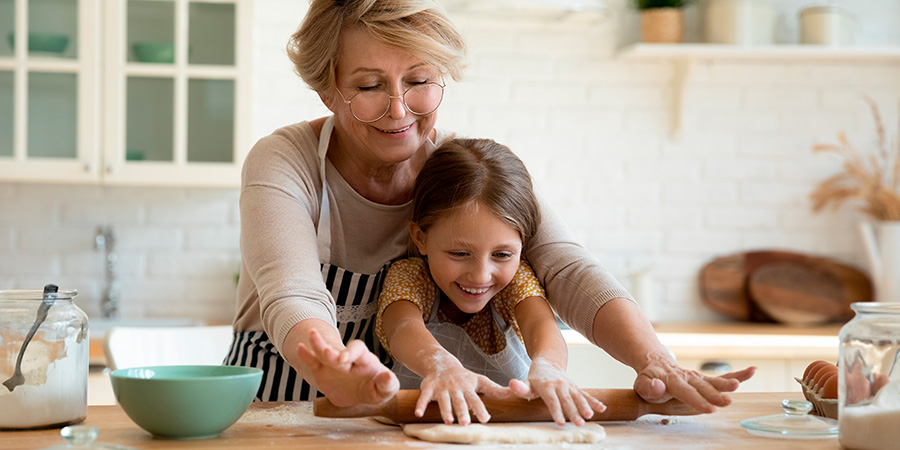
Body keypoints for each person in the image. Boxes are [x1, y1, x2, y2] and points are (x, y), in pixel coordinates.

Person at [225, 0, 755, 412]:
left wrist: (656, 362)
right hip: (274, 403)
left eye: (419, 81)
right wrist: (333, 365)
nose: (398, 109)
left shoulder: (461, 172)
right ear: (328, 91)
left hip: (386, 410)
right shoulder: (284, 160)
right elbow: (291, 292)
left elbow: (566, 266)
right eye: (368, 86)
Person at [376, 137, 607, 426]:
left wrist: (549, 367)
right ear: (420, 237)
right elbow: (402, 328)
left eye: (502, 254)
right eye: (459, 253)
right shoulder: (410, 277)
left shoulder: (515, 282)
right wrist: (441, 366)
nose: (481, 275)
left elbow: (541, 325)